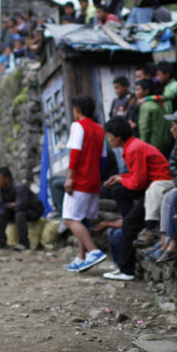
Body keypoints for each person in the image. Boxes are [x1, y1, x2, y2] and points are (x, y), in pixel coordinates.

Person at [100, 116, 171, 281]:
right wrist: (120, 178)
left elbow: (138, 183)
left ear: (118, 136)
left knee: (129, 226)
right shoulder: (132, 146)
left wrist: (121, 178)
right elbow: (137, 178)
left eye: (109, 136)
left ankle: (127, 270)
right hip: (148, 186)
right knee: (117, 189)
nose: (109, 140)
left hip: (157, 189)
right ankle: (129, 219)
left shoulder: (134, 149)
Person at [138, 108, 177, 259]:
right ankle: (159, 235)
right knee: (155, 187)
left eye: (173, 125)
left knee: (167, 196)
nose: (171, 129)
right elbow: (172, 166)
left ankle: (164, 239)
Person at [63, 95, 108, 273]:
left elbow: (75, 153)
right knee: (82, 219)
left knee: (69, 218)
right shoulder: (100, 129)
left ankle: (93, 251)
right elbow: (103, 158)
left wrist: (69, 177)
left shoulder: (78, 126)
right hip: (94, 180)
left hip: (80, 179)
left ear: (78, 110)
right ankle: (81, 258)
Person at [0, 167, 45, 251]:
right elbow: (1, 203)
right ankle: (0, 241)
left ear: (6, 179)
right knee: (1, 214)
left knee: (20, 215)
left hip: (33, 211)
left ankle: (23, 243)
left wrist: (11, 205)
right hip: (16, 210)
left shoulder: (19, 187)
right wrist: (12, 205)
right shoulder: (1, 187)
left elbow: (21, 206)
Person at [134, 79, 171, 156]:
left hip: (155, 144)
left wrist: (142, 149)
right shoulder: (156, 102)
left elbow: (144, 129)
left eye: (138, 89)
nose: (135, 92)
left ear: (146, 91)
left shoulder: (145, 106)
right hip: (166, 141)